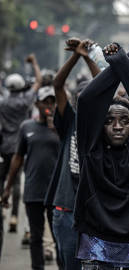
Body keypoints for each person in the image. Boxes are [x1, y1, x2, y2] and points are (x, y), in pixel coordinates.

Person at [73, 43, 129, 269]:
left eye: (124, 121)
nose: (118, 126)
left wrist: (125, 60)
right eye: (109, 121)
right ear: (99, 127)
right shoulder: (90, 150)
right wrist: (124, 59)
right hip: (95, 245)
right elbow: (86, 100)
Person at [43, 38, 101, 270]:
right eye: (81, 98)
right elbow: (58, 85)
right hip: (66, 211)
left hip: (96, 214)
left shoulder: (104, 123)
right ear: (76, 101)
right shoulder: (70, 121)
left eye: (93, 97)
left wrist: (88, 57)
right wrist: (76, 56)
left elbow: (104, 84)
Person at [1, 86, 61, 270]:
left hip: (56, 192)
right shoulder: (27, 127)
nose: (49, 106)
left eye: (52, 102)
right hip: (33, 190)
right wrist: (8, 188)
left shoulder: (62, 127)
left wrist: (56, 129)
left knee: (59, 236)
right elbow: (17, 159)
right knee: (36, 237)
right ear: (37, 104)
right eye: (45, 102)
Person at [0, 54, 42, 237]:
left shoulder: (2, 103)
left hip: (4, 145)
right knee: (17, 181)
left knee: (2, 180)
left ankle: (2, 209)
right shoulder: (25, 102)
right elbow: (38, 82)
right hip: (21, 145)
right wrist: (34, 63)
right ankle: (15, 216)